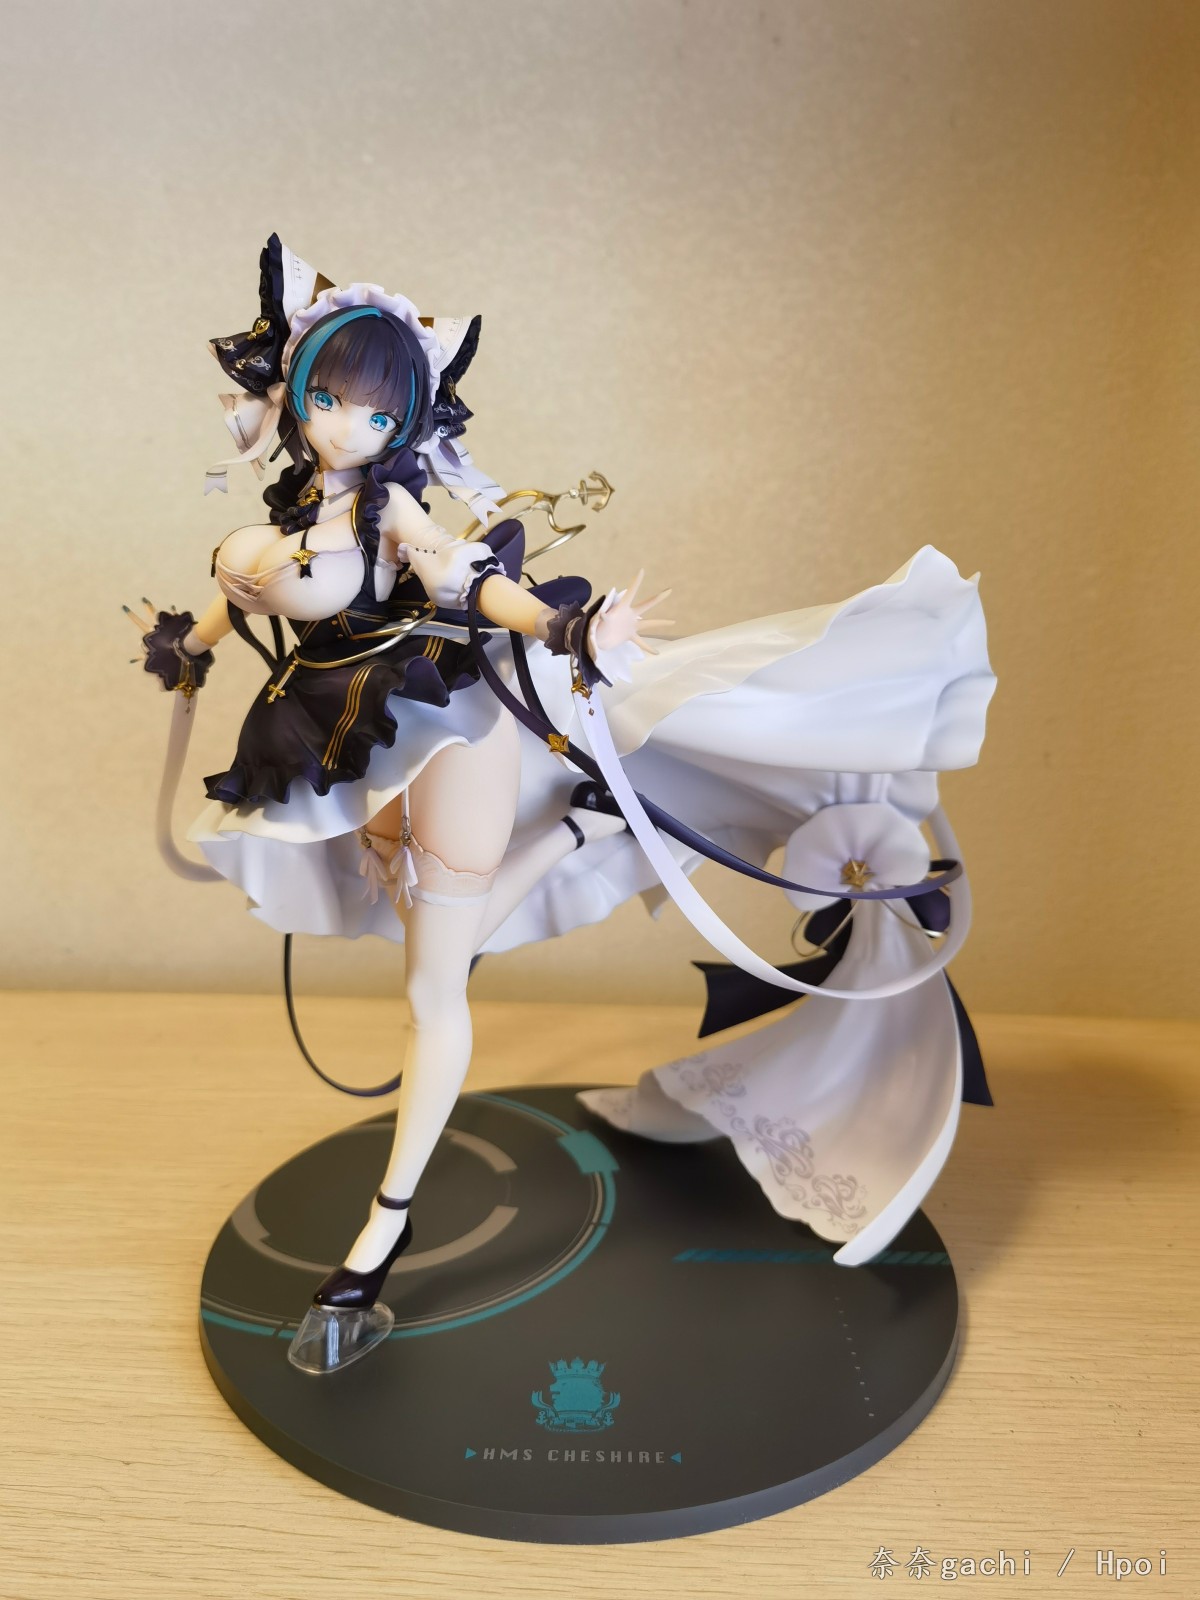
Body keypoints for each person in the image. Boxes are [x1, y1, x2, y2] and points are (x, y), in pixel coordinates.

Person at [135, 235, 996, 1374]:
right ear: (294, 387)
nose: (348, 427)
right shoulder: (289, 510)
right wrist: (184, 649)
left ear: (407, 425)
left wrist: (567, 626)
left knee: (434, 989)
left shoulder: (390, 514)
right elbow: (229, 599)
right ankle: (584, 825)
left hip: (441, 730)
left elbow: (471, 579)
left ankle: (379, 1239)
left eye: (378, 414)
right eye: (332, 400)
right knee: (412, 921)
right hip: (334, 740)